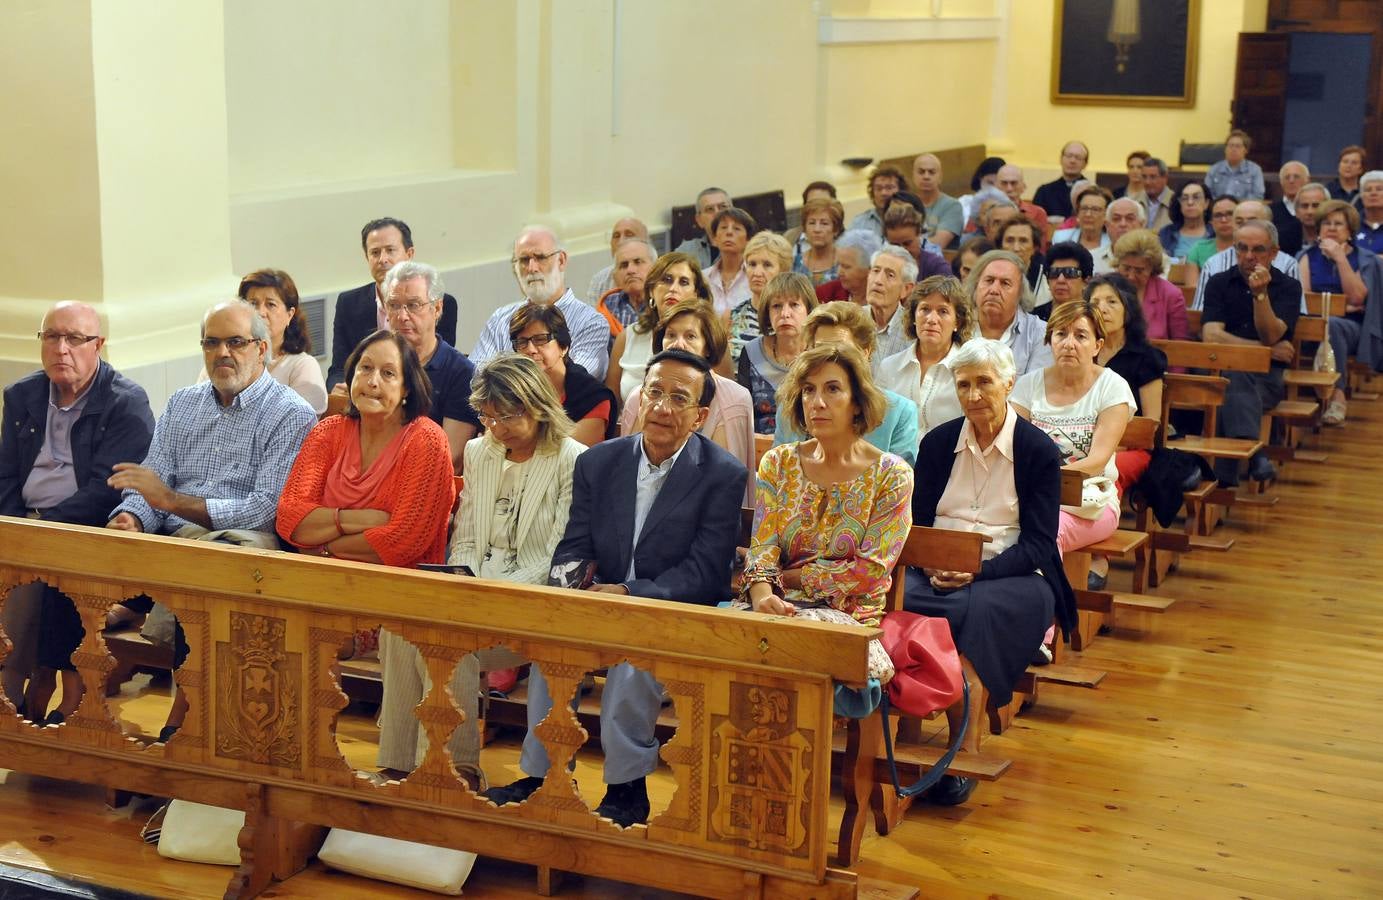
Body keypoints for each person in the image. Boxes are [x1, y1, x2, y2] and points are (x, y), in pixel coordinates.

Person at [484, 349, 746, 828]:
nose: (663, 407)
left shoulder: (721, 474)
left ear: (701, 415)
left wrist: (629, 594)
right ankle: (543, 777)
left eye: (678, 398)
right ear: (639, 397)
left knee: (632, 667)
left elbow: (706, 573)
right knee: (552, 652)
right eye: (654, 392)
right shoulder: (599, 463)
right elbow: (575, 544)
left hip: (670, 611)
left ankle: (628, 789)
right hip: (597, 604)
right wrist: (572, 592)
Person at [108, 300, 317, 740]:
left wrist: (169, 501)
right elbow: (152, 480)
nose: (223, 352)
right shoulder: (183, 405)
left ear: (262, 349)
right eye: (212, 342)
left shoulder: (290, 413)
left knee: (215, 566)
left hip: (245, 545)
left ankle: (184, 723)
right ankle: (74, 715)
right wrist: (133, 515)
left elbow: (267, 509)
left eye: (235, 342)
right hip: (179, 541)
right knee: (66, 557)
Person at [388, 353, 584, 786]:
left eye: (507, 417)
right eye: (488, 417)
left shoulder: (572, 459)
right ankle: (400, 765)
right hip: (475, 592)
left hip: (531, 607)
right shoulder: (480, 452)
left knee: (453, 642)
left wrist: (489, 595)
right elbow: (468, 536)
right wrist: (465, 583)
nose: (496, 429)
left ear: (537, 406)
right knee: (399, 630)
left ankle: (456, 771)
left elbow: (555, 556)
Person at [278, 331, 456, 782]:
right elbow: (289, 520)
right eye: (364, 368)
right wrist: (354, 520)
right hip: (322, 586)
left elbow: (404, 542)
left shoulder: (425, 440)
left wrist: (321, 538)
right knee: (267, 622)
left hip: (391, 598)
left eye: (387, 372)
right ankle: (290, 754)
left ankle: (320, 760)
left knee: (304, 632)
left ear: (408, 388)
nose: (372, 381)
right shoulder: (329, 432)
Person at [904, 338, 1075, 762]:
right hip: (934, 568)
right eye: (963, 385)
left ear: (1009, 383)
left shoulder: (1036, 450)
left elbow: (1037, 544)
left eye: (984, 382)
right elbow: (917, 524)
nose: (973, 395)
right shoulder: (938, 444)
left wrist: (977, 571)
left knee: (979, 611)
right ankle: (904, 727)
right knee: (895, 597)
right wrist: (931, 563)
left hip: (1009, 573)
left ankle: (964, 748)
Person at [746, 344, 912, 740]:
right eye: (807, 390)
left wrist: (793, 579)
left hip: (850, 617)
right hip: (775, 607)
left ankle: (795, 781)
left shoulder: (891, 476)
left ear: (858, 402)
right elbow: (763, 542)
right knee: (726, 644)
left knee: (784, 656)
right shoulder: (779, 462)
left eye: (832, 389)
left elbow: (869, 573)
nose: (817, 402)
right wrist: (761, 593)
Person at [0, 302, 154, 723]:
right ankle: (25, 691)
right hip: (25, 525)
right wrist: (14, 528)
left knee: (52, 570)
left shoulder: (126, 402)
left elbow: (106, 488)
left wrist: (39, 532)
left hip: (89, 530)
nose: (61, 348)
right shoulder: (22, 395)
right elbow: (7, 476)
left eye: (74, 339)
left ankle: (24, 690)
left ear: (98, 345)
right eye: (52, 337)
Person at [1011, 300, 1136, 589]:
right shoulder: (1027, 386)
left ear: (1097, 345)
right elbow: (1013, 448)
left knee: (1046, 532)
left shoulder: (1112, 387)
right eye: (1060, 334)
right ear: (1050, 341)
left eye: (1080, 336)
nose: (1069, 343)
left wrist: (1041, 484)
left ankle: (1043, 626)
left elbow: (1097, 461)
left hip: (1092, 502)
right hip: (1030, 498)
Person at [619, 301, 755, 501]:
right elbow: (627, 473)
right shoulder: (638, 395)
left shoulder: (735, 399)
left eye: (690, 336)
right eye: (671, 335)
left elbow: (727, 486)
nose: (678, 344)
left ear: (707, 346)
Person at [354, 261, 481, 472]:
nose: (402, 316)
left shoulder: (461, 372)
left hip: (421, 481)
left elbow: (450, 459)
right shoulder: (372, 362)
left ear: (437, 308)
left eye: (413, 305)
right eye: (394, 305)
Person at [1201, 220, 1301, 485]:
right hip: (1217, 371)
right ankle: (1253, 452)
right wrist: (1263, 351)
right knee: (1234, 374)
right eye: (1242, 248)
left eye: (1258, 249)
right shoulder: (1219, 282)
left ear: (1273, 253)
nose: (1249, 256)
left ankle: (1223, 482)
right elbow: (1211, 336)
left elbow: (1272, 334)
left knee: (1232, 384)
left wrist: (1261, 295)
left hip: (1266, 380)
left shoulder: (1289, 287)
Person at [774, 302, 919, 464]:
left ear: (865, 354)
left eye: (840, 349)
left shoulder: (900, 413)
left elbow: (901, 482)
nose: (828, 357)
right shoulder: (792, 405)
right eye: (819, 349)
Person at [329, 217, 458, 388]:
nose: (382, 259)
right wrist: (339, 387)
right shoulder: (349, 303)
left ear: (409, 254)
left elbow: (437, 368)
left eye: (390, 250)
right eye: (375, 252)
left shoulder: (439, 303)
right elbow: (338, 368)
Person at [471, 226, 611, 380]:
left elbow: (572, 381)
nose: (532, 268)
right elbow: (475, 379)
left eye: (541, 257)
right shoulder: (499, 319)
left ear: (562, 260)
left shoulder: (591, 323)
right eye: (524, 260)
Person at [1299, 200, 1382, 426]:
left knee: (1333, 325)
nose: (1332, 228)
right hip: (1314, 324)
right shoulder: (1306, 256)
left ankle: (1338, 395)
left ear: (1350, 230)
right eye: (1326, 223)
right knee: (1328, 323)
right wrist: (1341, 307)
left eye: (1338, 224)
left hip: (1354, 328)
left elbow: (1358, 298)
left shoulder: (1365, 259)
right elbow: (1305, 300)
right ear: (1318, 229)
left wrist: (1340, 258)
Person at [1089, 274, 1167, 494]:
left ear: (1128, 309)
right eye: (1095, 303)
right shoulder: (1082, 353)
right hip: (1085, 444)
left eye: (1112, 302)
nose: (1102, 309)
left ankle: (1101, 526)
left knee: (1105, 470)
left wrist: (1108, 447)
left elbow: (1150, 423)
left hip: (1132, 448)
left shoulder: (1146, 357)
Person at [876, 274, 976, 437]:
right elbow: (877, 425)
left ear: (958, 322)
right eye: (925, 309)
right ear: (914, 316)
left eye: (943, 311)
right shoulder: (889, 367)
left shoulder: (969, 371)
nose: (931, 319)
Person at [608, 251, 710, 400]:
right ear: (651, 290)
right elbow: (612, 401)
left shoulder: (709, 336)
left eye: (683, 282)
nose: (673, 288)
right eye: (667, 280)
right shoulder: (627, 337)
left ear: (696, 294)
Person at [510, 303, 616, 444]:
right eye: (522, 342)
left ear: (563, 346)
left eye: (540, 339)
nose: (530, 349)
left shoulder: (592, 396)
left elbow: (574, 455)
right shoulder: (511, 390)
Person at [234, 269, 327, 414]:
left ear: (290, 314)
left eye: (270, 304)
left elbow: (299, 424)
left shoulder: (302, 366)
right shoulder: (228, 357)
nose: (260, 312)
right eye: (253, 304)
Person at [1191, 200, 1304, 313]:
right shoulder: (1213, 264)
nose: (1245, 228)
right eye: (1239, 222)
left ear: (1269, 225)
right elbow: (1199, 312)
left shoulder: (1288, 264)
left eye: (1253, 222)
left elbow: (1297, 317)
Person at [738, 273, 816, 434]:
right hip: (758, 448)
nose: (785, 313)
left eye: (794, 304)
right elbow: (741, 415)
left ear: (809, 310)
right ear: (767, 312)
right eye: (776, 306)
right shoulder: (751, 352)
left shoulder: (820, 353)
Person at [967, 248, 1054, 376]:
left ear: (1020, 293)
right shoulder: (956, 325)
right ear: (976, 286)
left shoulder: (1040, 334)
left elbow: (1033, 390)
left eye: (1005, 283)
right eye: (989, 280)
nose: (994, 290)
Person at [727, 231, 794, 370]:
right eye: (752, 264)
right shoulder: (730, 317)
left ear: (783, 270)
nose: (757, 272)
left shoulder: (791, 318)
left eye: (767, 265)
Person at [1111, 230, 1190, 340]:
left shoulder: (1171, 295)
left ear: (1152, 269)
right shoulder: (1104, 288)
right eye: (1126, 268)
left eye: (1139, 271)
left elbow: (1181, 345)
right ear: (1117, 263)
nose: (1131, 276)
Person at [594, 237, 657, 349]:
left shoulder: (666, 303)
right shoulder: (606, 307)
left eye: (638, 262)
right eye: (624, 265)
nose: (630, 270)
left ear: (656, 267)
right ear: (615, 276)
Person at [863, 244, 918, 365]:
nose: (878, 280)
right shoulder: (850, 321)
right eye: (875, 271)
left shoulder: (913, 332)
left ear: (906, 289)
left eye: (890, 275)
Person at [703, 208, 757, 316]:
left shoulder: (756, 276)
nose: (729, 232)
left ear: (748, 239)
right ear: (715, 238)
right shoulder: (702, 277)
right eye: (723, 227)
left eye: (736, 228)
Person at [883, 200, 955, 281]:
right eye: (895, 245)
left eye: (907, 243)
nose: (902, 250)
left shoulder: (937, 267)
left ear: (919, 234)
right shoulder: (881, 268)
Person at [587, 218, 650, 303]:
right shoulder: (599, 281)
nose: (621, 241)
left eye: (629, 235)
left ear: (645, 241)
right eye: (616, 236)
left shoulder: (661, 277)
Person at [996, 215, 1048, 312]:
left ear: (1035, 248)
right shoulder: (987, 274)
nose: (1016, 248)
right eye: (1009, 240)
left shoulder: (1046, 279)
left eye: (1023, 241)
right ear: (1000, 246)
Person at [1185, 194, 1240, 287]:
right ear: (1211, 222)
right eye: (1218, 215)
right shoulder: (1199, 249)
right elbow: (1192, 287)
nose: (1223, 220)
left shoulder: (1249, 249)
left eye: (1230, 214)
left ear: (1239, 218)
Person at [911, 153, 964, 248]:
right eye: (921, 172)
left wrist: (907, 245)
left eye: (932, 172)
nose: (926, 176)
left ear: (940, 177)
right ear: (913, 176)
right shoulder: (905, 204)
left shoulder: (952, 206)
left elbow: (937, 245)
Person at [815, 230, 880, 304]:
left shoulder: (883, 299)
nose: (839, 272)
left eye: (846, 267)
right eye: (838, 265)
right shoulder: (826, 294)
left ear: (869, 269)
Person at [791, 198, 844, 286]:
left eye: (824, 223)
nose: (817, 229)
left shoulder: (844, 263)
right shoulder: (794, 264)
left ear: (836, 229)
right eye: (812, 223)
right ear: (804, 228)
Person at [674, 187, 731, 268]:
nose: (718, 213)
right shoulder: (686, 251)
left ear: (735, 213)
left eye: (723, 207)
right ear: (699, 220)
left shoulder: (749, 249)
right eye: (710, 209)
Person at [1033, 140, 1091, 219]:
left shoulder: (1092, 191)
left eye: (1078, 157)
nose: (1072, 161)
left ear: (1085, 164)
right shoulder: (1044, 192)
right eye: (1069, 156)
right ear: (1061, 159)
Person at [1159, 182, 1213, 263]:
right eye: (1184, 198)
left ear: (1206, 203)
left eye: (1196, 197)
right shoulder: (1167, 233)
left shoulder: (1215, 233)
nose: (1190, 202)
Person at [1205, 131, 1265, 201]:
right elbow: (1207, 195)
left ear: (1246, 150)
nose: (1233, 149)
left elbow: (1258, 196)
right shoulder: (1214, 169)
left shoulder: (1255, 170)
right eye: (1230, 146)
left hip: (1243, 210)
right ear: (1225, 149)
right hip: (1218, 209)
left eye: (1238, 146)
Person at [1092, 197, 1148, 273]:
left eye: (1130, 218)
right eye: (1116, 219)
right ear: (1107, 225)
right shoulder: (1091, 258)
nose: (1123, 224)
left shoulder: (1157, 261)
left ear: (1142, 224)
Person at [995, 165, 1050, 242]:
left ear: (1023, 187)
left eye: (1014, 183)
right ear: (996, 187)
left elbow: (1041, 247)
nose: (1009, 188)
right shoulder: (986, 212)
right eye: (1004, 183)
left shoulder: (1038, 213)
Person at [849, 165, 907, 237]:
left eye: (889, 188)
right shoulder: (859, 222)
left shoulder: (912, 218)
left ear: (901, 190)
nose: (883, 193)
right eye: (878, 188)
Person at [1052, 185, 1112, 253]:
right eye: (1084, 208)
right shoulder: (1061, 238)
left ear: (1107, 215)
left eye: (1095, 209)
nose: (1088, 214)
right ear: (1077, 213)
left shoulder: (1113, 242)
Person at [1045, 242, 1094, 308]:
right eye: (1054, 272)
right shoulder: (1035, 316)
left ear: (1086, 281)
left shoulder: (1095, 316)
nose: (1060, 280)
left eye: (1069, 272)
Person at [1271, 161, 1310, 235]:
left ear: (1307, 180)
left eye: (1296, 177)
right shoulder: (1271, 211)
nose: (1291, 181)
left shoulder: (1316, 207)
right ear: (1281, 182)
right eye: (1287, 177)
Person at [1136, 158, 1174, 232]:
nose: (1147, 182)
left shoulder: (1176, 202)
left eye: (1153, 177)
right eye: (1144, 177)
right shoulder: (1133, 201)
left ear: (1165, 178)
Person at [1356, 170, 1383, 254]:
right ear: (1361, 195)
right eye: (1368, 190)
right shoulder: (1351, 224)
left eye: (1379, 189)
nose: (1373, 193)